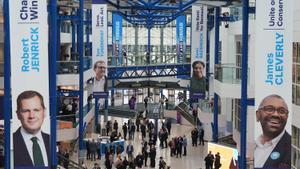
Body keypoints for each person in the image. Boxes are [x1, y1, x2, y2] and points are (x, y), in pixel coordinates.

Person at [13, 90, 50, 167]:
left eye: (36, 110)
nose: (31, 116)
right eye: (26, 111)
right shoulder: (9, 142)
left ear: (44, 112)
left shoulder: (50, 140)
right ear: (18, 115)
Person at [254, 94, 291, 168]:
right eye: (269, 109)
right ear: (258, 115)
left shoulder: (292, 148)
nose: (276, 115)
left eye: (282, 111)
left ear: (287, 117)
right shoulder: (252, 145)